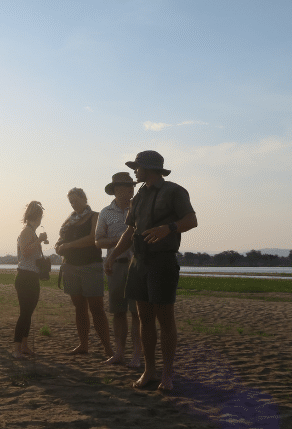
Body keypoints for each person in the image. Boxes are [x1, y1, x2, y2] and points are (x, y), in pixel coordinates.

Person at [104, 151, 198, 392]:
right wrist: (113, 256)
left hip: (163, 262)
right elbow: (130, 232)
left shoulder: (175, 191)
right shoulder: (139, 197)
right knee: (144, 319)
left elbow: (191, 220)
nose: (135, 171)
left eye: (137, 167)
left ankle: (167, 374)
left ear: (149, 168)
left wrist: (169, 228)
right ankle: (149, 371)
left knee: (165, 319)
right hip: (139, 262)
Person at [55, 188, 114, 359]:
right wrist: (59, 246)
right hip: (70, 267)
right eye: (70, 201)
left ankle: (107, 347)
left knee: (97, 309)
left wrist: (68, 246)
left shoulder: (95, 216)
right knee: (79, 308)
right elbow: (60, 239)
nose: (73, 203)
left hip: (90, 266)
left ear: (84, 198)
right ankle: (83, 344)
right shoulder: (69, 220)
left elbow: (92, 239)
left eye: (75, 200)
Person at [95, 172, 143, 367]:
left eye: (131, 186)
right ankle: (120, 353)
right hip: (116, 266)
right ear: (115, 190)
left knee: (138, 312)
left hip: (138, 266)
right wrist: (119, 242)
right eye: (124, 186)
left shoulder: (140, 208)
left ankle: (137, 356)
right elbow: (98, 241)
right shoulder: (105, 212)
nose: (130, 190)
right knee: (118, 311)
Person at [12, 201, 48, 360]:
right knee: (24, 313)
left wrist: (39, 241)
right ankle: (16, 348)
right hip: (25, 276)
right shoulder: (27, 231)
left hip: (31, 276)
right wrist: (39, 240)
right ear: (37, 217)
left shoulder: (31, 232)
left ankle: (24, 346)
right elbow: (26, 252)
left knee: (28, 313)